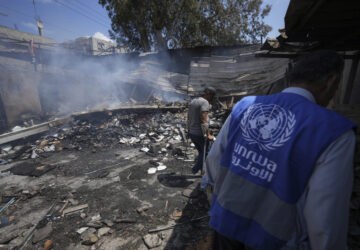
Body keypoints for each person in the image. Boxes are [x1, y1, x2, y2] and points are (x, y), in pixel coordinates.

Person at [205, 50, 357, 250]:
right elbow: (324, 223)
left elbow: (214, 165)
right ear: (331, 82)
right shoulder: (333, 131)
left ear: (288, 78)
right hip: (276, 242)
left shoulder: (245, 106)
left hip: (225, 228)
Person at [188, 87, 216, 174]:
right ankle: (195, 169)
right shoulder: (204, 102)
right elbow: (204, 119)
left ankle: (201, 170)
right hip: (199, 133)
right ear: (208, 94)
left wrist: (188, 129)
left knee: (201, 152)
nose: (212, 98)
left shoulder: (193, 101)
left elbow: (188, 117)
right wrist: (208, 135)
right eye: (212, 95)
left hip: (192, 132)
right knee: (206, 152)